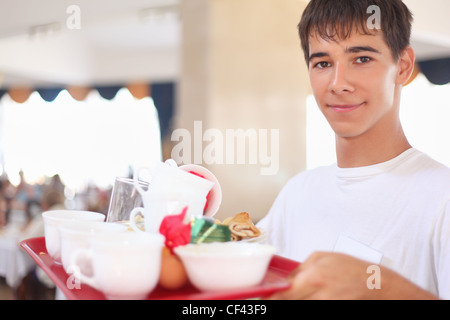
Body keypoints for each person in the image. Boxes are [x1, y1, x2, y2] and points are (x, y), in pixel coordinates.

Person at [258, 0, 450, 299]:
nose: (338, 83)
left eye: (361, 59)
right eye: (322, 63)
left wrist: (384, 288)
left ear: (403, 66)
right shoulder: (297, 193)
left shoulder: (442, 198)